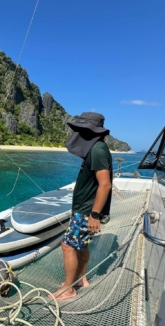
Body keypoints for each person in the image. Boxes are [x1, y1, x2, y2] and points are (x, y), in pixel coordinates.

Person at [51, 112, 113, 301]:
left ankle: (69, 290)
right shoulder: (97, 147)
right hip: (85, 209)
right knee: (80, 245)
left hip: (87, 211)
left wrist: (94, 214)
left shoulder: (97, 150)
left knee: (67, 245)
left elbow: (105, 184)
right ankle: (80, 279)